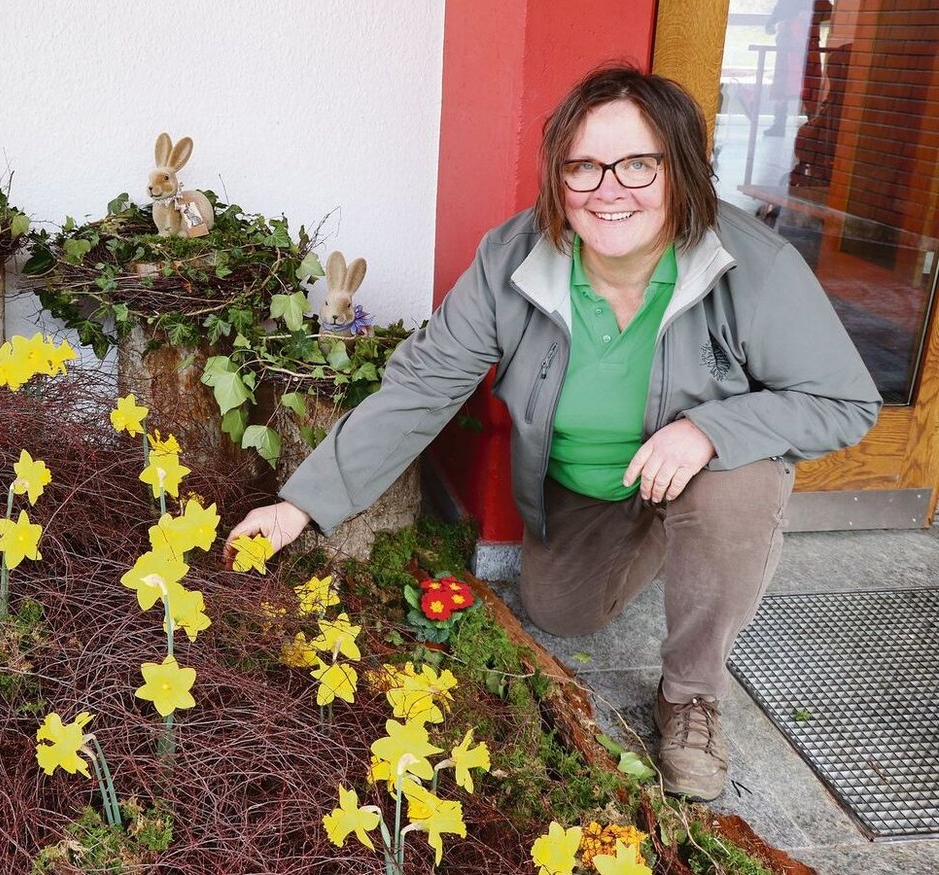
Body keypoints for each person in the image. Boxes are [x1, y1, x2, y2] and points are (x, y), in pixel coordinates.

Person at [225, 65, 880, 802]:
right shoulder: (512, 261)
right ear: (557, 178)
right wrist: (300, 504)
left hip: (707, 466)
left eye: (637, 163)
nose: (608, 188)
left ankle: (693, 694)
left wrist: (710, 427)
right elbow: (418, 389)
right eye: (583, 166)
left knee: (733, 483)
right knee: (556, 612)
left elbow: (845, 402)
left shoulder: (754, 266)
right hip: (591, 488)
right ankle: (672, 532)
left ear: (683, 169)